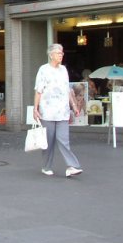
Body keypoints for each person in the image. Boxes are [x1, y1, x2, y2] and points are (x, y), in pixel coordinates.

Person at [33, 43, 83, 177]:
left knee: (63, 140)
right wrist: (35, 108)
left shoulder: (63, 70)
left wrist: (74, 105)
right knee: (48, 141)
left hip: (62, 111)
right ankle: (46, 166)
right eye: (58, 53)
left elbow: (68, 90)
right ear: (51, 55)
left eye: (62, 53)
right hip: (47, 111)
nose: (61, 55)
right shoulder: (43, 70)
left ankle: (72, 166)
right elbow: (39, 90)